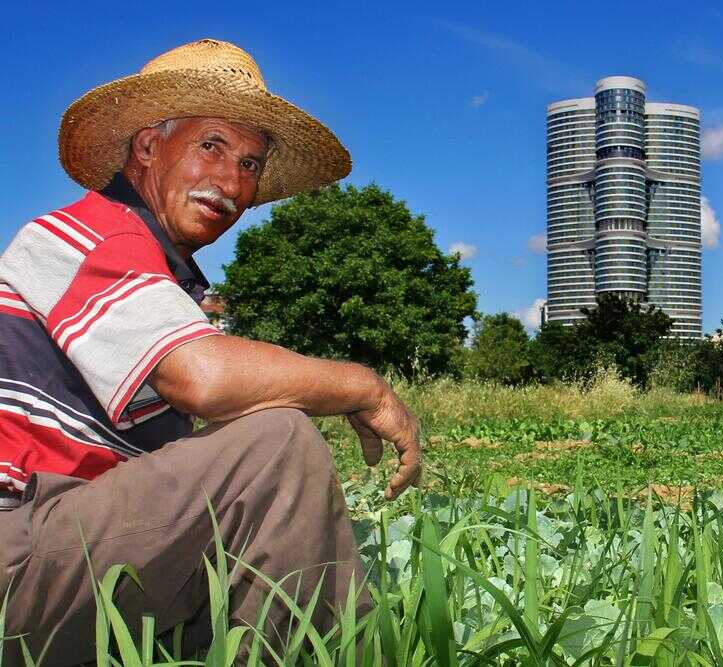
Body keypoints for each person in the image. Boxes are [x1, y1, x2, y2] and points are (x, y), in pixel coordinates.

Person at [0, 39, 421, 664]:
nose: (230, 183)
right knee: (279, 443)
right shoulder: (89, 233)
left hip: (74, 555)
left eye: (250, 165)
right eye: (211, 146)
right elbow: (202, 377)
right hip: (19, 552)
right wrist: (367, 386)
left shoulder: (166, 287)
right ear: (147, 147)